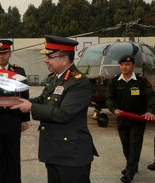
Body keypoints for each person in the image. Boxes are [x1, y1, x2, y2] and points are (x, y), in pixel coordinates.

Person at [11, 35, 98, 183]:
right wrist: (19, 101)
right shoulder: (55, 78)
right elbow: (43, 100)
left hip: (71, 155)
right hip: (54, 150)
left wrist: (31, 107)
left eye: (50, 56)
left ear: (64, 59)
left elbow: (64, 114)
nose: (45, 60)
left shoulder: (79, 82)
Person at [0, 39, 31, 183]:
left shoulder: (19, 72)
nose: (1, 56)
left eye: (4, 53)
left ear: (9, 54)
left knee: (14, 154)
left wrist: (24, 119)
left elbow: (24, 96)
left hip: (13, 118)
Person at [106, 54, 155, 182]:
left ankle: (130, 171)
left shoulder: (141, 81)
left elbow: (150, 97)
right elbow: (109, 98)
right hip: (122, 118)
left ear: (133, 66)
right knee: (125, 144)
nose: (124, 67)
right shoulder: (115, 81)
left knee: (135, 144)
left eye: (127, 64)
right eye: (122, 64)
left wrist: (150, 111)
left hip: (138, 119)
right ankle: (131, 165)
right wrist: (113, 109)